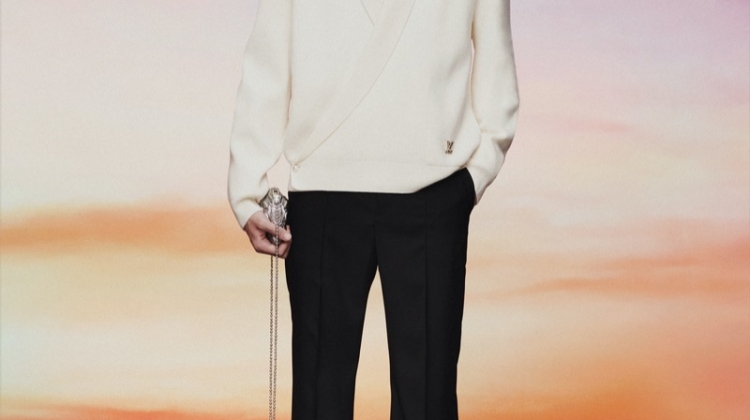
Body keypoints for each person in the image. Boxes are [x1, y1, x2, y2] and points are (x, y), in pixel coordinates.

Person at [227, 1, 519, 419]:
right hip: (322, 190)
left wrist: (475, 175)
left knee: (428, 401)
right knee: (318, 400)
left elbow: (496, 64)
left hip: (433, 193)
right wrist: (247, 189)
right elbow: (267, 59)